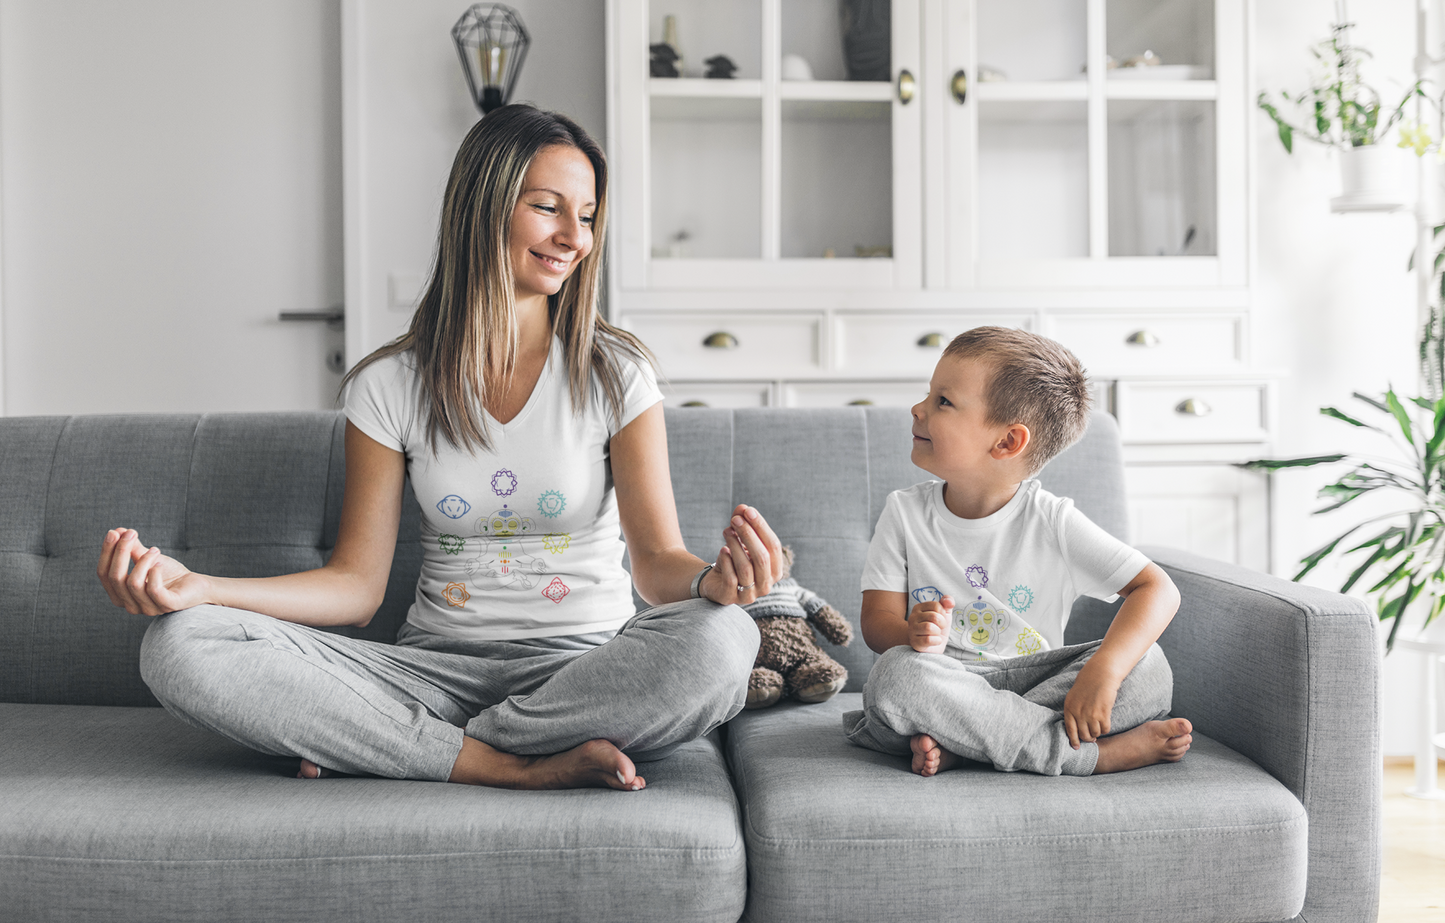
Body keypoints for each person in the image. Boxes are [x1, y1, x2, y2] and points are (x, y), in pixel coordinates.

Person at [95, 104, 774, 792]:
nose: (576, 237)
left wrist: (708, 584)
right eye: (548, 208)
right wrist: (199, 590)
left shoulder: (615, 372)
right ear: (483, 207)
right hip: (429, 673)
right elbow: (356, 587)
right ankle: (504, 764)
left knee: (725, 639)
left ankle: (396, 745)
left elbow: (657, 564)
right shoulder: (389, 383)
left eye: (589, 215)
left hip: (583, 670)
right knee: (182, 644)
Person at [842, 327, 1193, 777]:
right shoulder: (904, 513)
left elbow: (1157, 588)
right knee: (895, 677)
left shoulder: (1053, 521)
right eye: (928, 395)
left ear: (1007, 442)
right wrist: (911, 635)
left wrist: (1103, 670)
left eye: (943, 401)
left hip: (1034, 677)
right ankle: (1090, 757)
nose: (918, 408)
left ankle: (969, 745)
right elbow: (876, 623)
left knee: (1149, 667)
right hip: (941, 682)